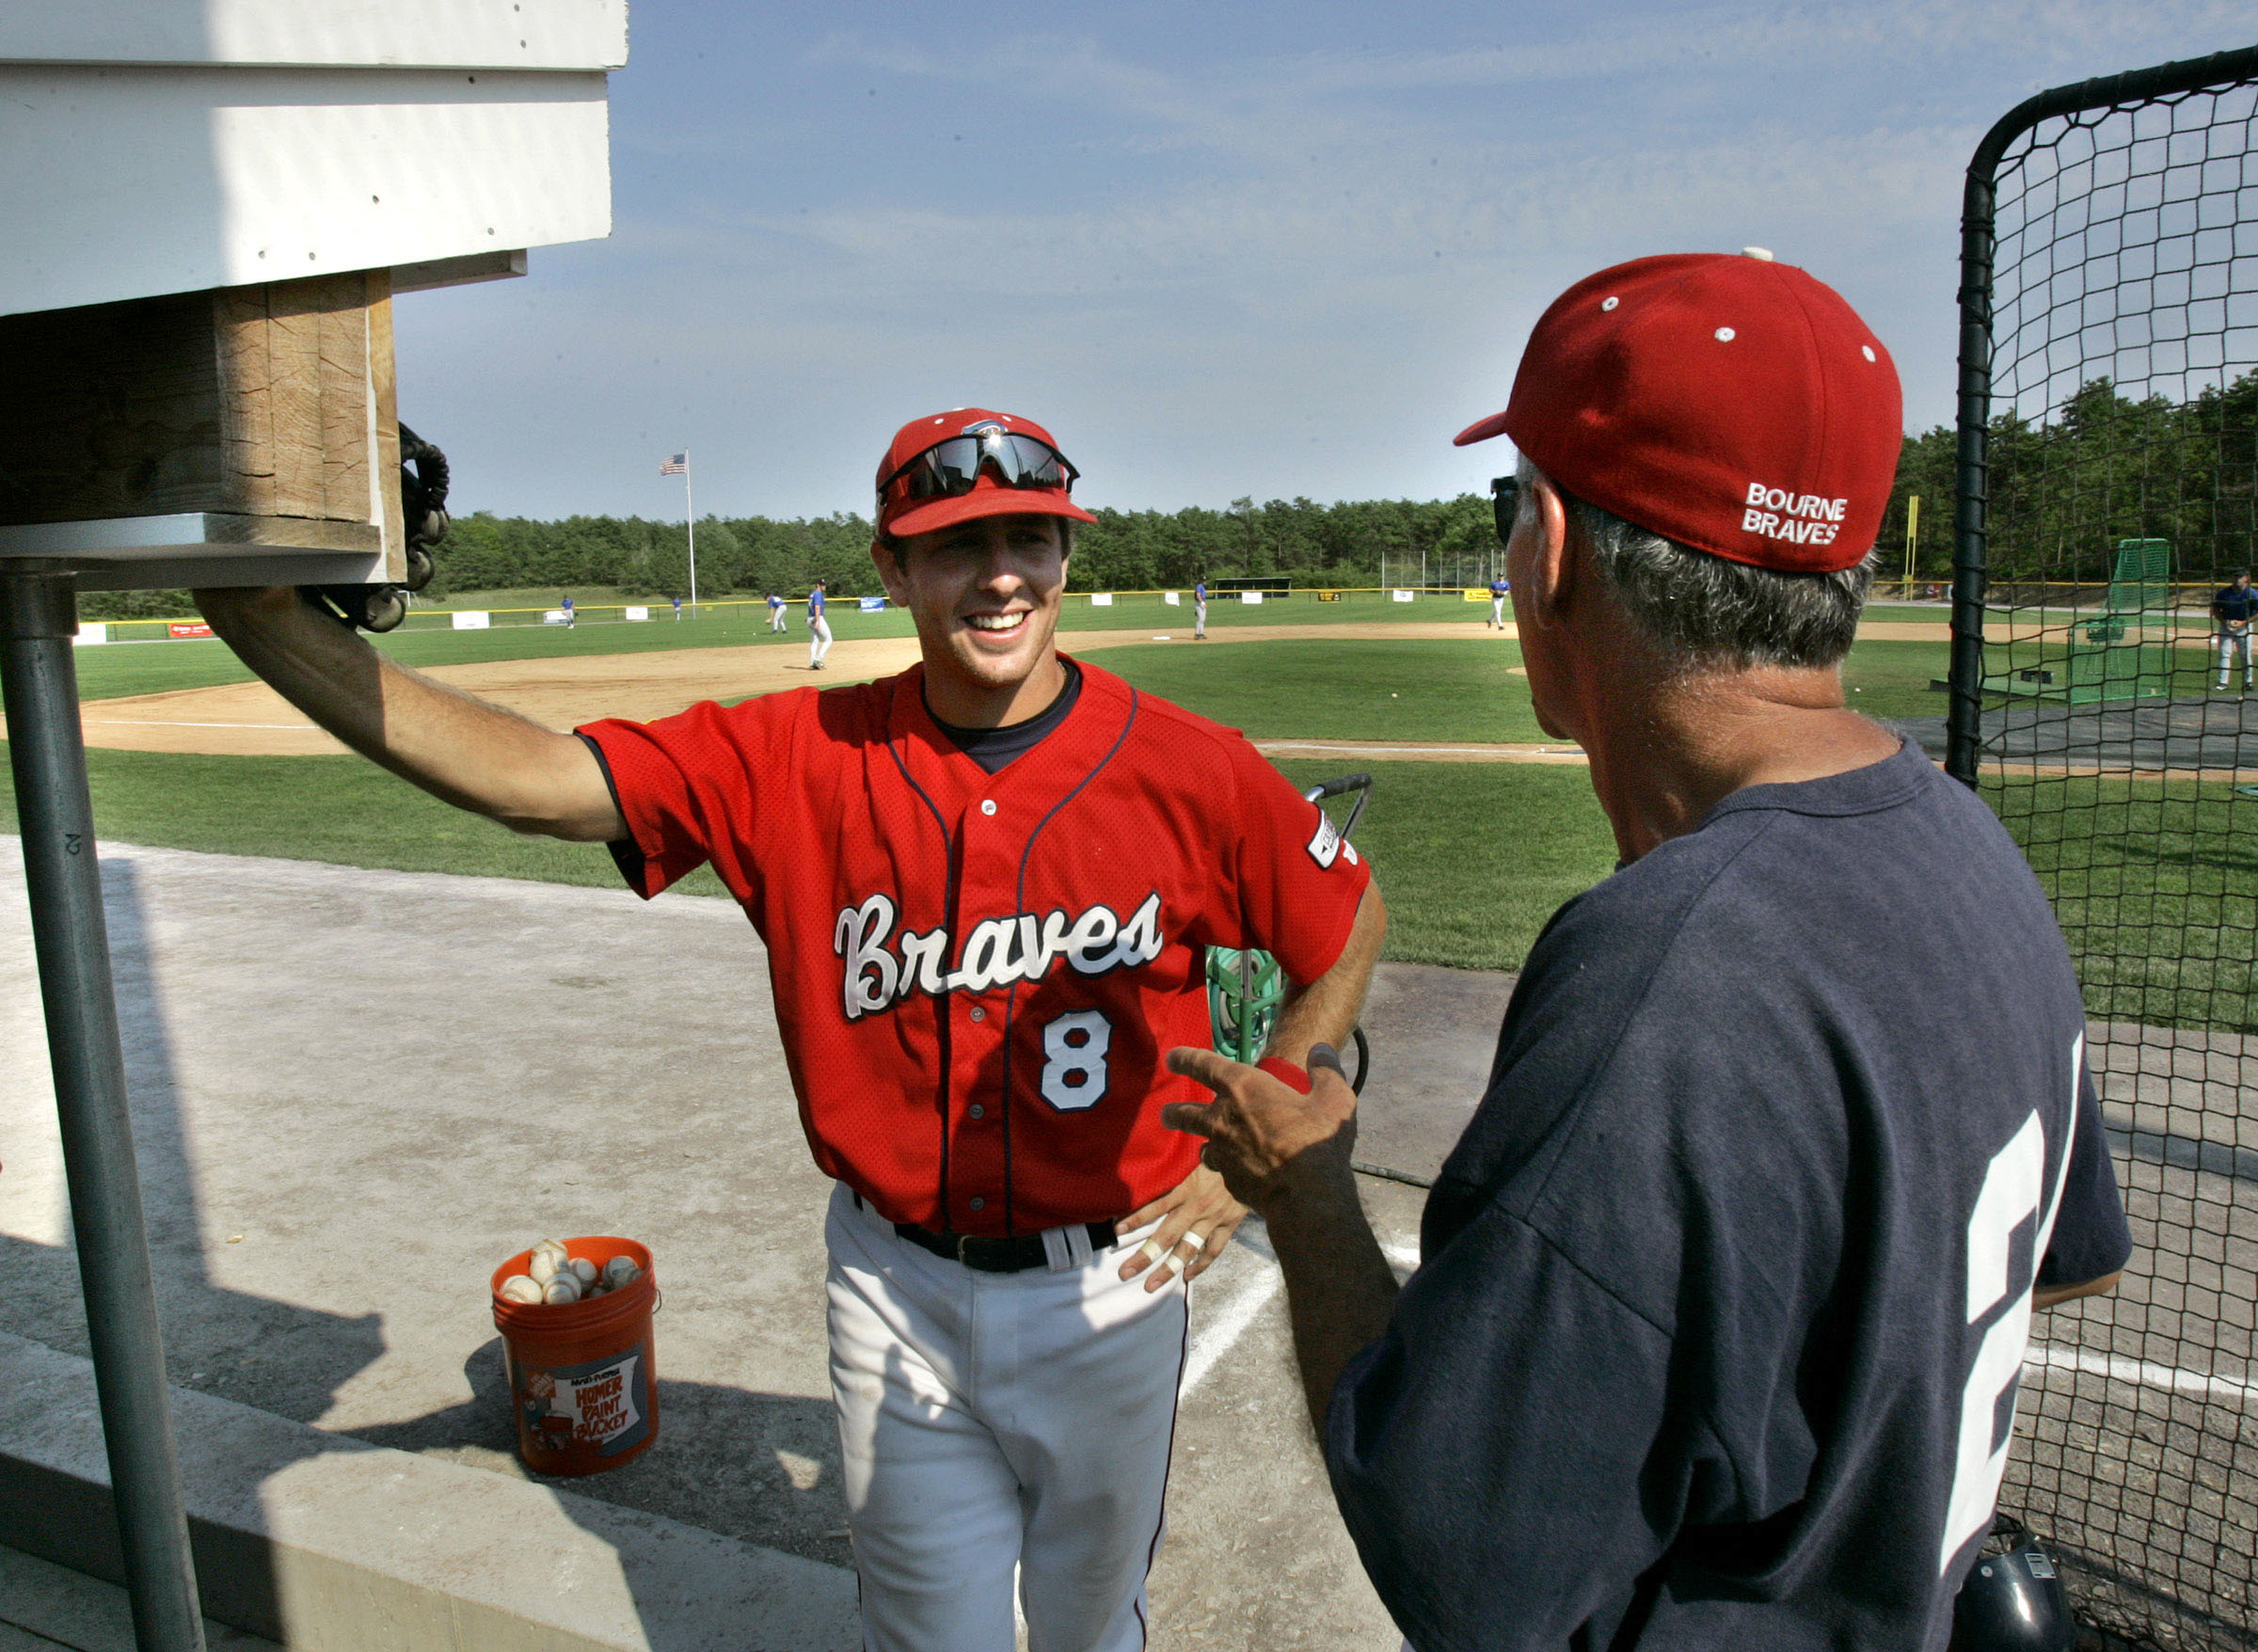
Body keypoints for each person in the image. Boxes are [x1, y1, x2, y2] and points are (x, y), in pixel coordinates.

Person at [192, 405, 1383, 1652]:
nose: (1000, 576)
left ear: (1066, 555)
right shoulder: (794, 754)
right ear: (891, 566)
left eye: (1030, 538)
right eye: (954, 545)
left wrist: (1254, 1148)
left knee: (1092, 1625)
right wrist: (265, 620)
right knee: (931, 1635)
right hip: (895, 1282)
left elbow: (1345, 923)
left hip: (1116, 1285)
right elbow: (542, 786)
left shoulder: (1186, 767)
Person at [1164, 254, 2131, 1650]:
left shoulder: (1671, 974)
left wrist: (1308, 1199)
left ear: (1549, 548)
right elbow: (2070, 1260)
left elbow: (1465, 1566)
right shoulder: (1963, 846)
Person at [2213, 569, 2254, 690]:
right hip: (2226, 627)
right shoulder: (2223, 593)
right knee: (2224, 653)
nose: (2237, 579)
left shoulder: (2252, 594)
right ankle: (2222, 683)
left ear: (2246, 578)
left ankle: (2248, 682)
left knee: (2245, 655)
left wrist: (2244, 622)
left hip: (2244, 628)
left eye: (2240, 577)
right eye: (2235, 576)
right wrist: (2224, 621)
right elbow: (2215, 610)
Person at [806, 579, 833, 669]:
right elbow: (817, 607)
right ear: (817, 585)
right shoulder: (818, 594)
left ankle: (812, 662)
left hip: (810, 618)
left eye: (824, 584)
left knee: (814, 641)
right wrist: (817, 620)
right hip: (817, 618)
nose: (824, 586)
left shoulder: (812, 594)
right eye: (822, 584)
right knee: (828, 639)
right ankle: (817, 660)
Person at [1193, 574, 1208, 639]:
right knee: (1200, 619)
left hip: (1202, 603)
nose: (1204, 581)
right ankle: (1196, 634)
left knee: (1203, 619)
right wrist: (1202, 602)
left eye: (1205, 580)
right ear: (1201, 581)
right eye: (1203, 580)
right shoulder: (1199, 586)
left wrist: (1203, 603)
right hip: (1199, 603)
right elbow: (1198, 595)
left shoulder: (1203, 586)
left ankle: (1201, 633)